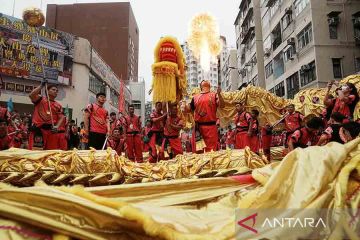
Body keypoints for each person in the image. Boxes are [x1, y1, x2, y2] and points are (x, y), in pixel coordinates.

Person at [188, 80, 224, 152]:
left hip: (200, 128)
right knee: (211, 151)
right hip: (208, 128)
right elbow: (222, 105)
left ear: (200, 87)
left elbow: (189, 110)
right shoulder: (214, 95)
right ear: (209, 87)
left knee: (199, 151)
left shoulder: (195, 97)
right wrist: (219, 94)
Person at [29, 83, 65, 150]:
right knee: (36, 153)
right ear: (47, 91)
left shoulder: (58, 105)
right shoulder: (40, 99)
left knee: (49, 152)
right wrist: (41, 86)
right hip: (38, 130)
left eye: (57, 91)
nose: (55, 92)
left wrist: (57, 126)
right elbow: (31, 95)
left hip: (51, 131)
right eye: (53, 89)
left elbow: (62, 117)